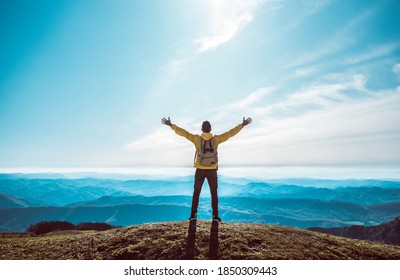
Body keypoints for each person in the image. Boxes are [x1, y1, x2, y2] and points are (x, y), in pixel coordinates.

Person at [161, 117, 252, 222]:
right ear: (211, 129)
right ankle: (215, 216)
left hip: (200, 170)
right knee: (214, 193)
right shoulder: (216, 140)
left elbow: (184, 133)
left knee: (196, 192)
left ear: (201, 129)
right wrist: (242, 125)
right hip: (212, 170)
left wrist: (171, 125)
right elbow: (230, 134)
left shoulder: (197, 139)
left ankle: (193, 215)